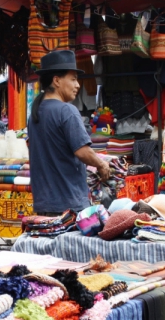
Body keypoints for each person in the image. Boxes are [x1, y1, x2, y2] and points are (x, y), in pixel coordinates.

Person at [28, 50, 110, 216]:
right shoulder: (67, 111)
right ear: (57, 80)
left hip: (44, 205)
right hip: (69, 206)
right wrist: (101, 164)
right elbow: (82, 151)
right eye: (73, 79)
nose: (77, 85)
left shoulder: (35, 114)